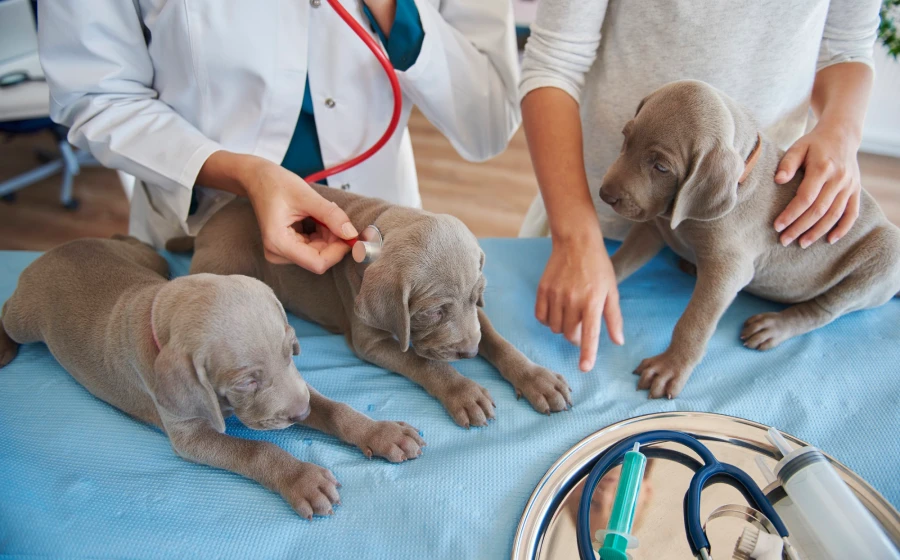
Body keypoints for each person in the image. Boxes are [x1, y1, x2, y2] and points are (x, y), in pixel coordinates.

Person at [518, 0, 882, 372]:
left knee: (888, 252)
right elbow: (553, 59)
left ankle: (814, 312)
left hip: (810, 255)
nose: (613, 186)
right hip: (577, 211)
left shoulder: (721, 199)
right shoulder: (660, 189)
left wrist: (840, 130)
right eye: (628, 139)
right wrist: (578, 241)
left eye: (660, 165)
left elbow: (848, 46)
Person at [38, 0, 520, 273]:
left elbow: (488, 124)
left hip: (375, 243)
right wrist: (244, 174)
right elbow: (96, 92)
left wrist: (395, 9)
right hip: (202, 241)